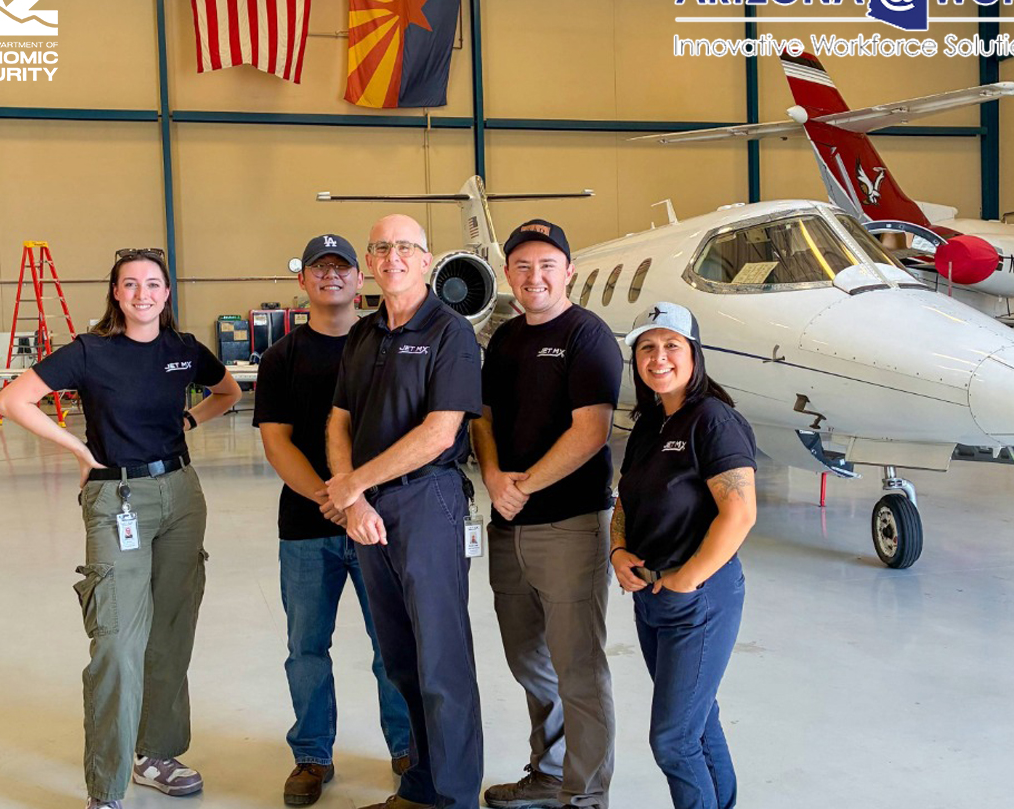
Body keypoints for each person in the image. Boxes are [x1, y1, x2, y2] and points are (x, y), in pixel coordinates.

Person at [0, 247, 242, 809]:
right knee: (115, 642)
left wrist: (188, 418)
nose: (142, 294)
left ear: (167, 292)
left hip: (181, 495)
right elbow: (14, 400)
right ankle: (106, 787)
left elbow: (228, 392)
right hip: (116, 499)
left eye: (152, 284)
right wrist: (80, 450)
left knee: (172, 633)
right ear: (115, 292)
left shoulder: (183, 351)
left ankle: (157, 754)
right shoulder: (91, 352)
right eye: (130, 284)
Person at [323, 214, 483, 809]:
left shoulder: (450, 332)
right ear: (369, 261)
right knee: (400, 658)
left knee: (442, 661)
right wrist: (354, 495)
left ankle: (457, 796)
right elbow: (338, 419)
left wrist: (352, 487)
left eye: (405, 248)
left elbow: (441, 432)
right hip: (367, 508)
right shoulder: (363, 336)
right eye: (382, 248)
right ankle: (418, 788)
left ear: (426, 258)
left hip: (427, 501)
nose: (393, 257)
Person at [253, 234, 411, 806]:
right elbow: (277, 442)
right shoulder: (282, 356)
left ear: (360, 278)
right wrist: (332, 497)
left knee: (391, 643)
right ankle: (312, 756)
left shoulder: (384, 346)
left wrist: (356, 500)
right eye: (319, 268)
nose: (330, 276)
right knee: (306, 648)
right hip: (307, 524)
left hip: (378, 522)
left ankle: (406, 749)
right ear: (303, 281)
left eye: (341, 267)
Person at [471, 220, 622, 809]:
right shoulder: (506, 339)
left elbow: (591, 433)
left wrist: (523, 486)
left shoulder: (588, 336)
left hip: (569, 525)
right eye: (523, 266)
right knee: (527, 656)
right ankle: (551, 770)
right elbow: (480, 414)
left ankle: (585, 796)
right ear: (508, 274)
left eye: (547, 265)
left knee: (578, 666)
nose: (535, 277)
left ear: (569, 271)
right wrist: (490, 475)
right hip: (509, 527)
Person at [610, 301, 757, 809]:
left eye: (672, 345)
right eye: (647, 348)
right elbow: (624, 499)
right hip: (652, 596)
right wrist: (618, 549)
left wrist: (686, 579)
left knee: (672, 740)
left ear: (695, 353)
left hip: (699, 598)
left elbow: (739, 514)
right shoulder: (649, 423)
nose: (658, 357)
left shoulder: (713, 420)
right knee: (698, 720)